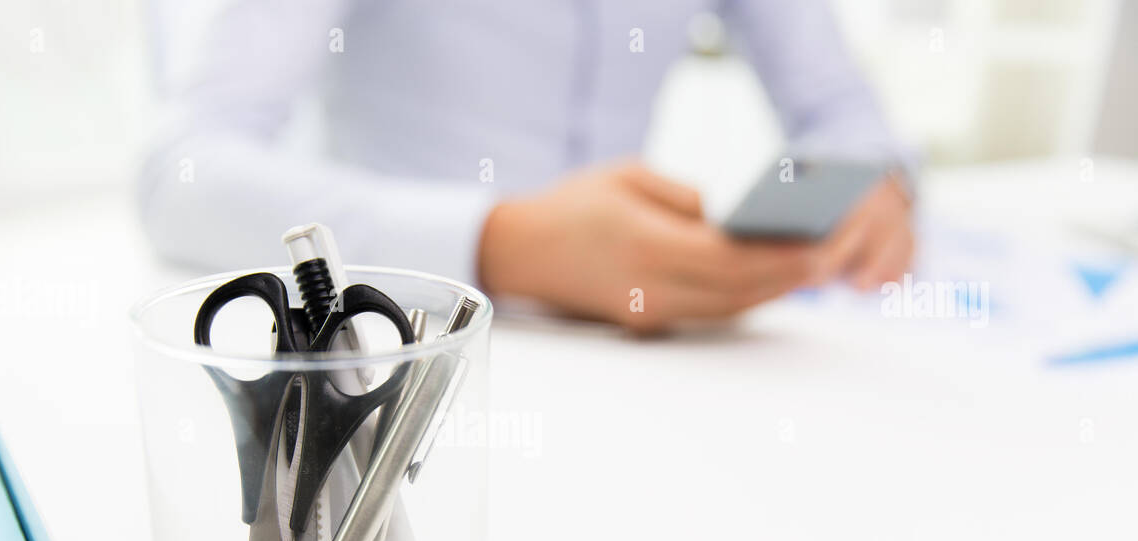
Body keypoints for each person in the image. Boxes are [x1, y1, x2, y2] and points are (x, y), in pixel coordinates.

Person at [139, 0, 914, 333]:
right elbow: (181, 170)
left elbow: (844, 112)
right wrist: (505, 244)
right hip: (399, 347)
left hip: (655, 359)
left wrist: (869, 183)